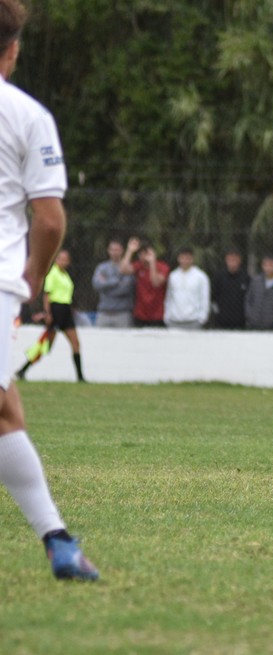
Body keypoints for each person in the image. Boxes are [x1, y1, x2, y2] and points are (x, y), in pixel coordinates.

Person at [0, 0, 99, 580]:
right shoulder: (26, 115)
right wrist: (30, 278)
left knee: (6, 407)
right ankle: (58, 541)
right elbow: (51, 219)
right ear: (12, 50)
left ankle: (57, 539)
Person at [16, 249, 85, 382]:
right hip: (56, 309)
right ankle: (23, 369)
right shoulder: (52, 274)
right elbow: (47, 295)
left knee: (75, 343)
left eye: (65, 259)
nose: (62, 261)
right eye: (60, 258)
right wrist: (48, 313)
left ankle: (80, 377)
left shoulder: (65, 275)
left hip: (66, 310)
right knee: (46, 344)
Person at [120, 237, 168, 327]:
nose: (144, 257)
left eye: (146, 253)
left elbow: (155, 283)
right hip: (140, 314)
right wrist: (129, 251)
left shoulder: (162, 267)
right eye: (141, 254)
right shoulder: (139, 265)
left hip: (157, 315)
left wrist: (152, 263)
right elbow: (123, 270)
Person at [163, 247, 210, 329]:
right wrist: (167, 316)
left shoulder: (201, 276)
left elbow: (204, 298)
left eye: (188, 258)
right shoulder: (173, 276)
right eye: (182, 258)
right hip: (174, 321)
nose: (185, 261)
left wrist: (202, 318)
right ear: (178, 259)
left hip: (194, 321)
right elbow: (169, 297)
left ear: (192, 259)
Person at [91, 237, 134, 327]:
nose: (115, 252)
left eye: (117, 250)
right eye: (112, 250)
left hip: (122, 314)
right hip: (103, 313)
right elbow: (97, 285)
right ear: (108, 251)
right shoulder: (102, 267)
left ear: (122, 251)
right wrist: (117, 281)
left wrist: (106, 286)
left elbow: (125, 288)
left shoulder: (128, 268)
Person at [245, 254, 273, 330]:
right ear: (262, 266)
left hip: (272, 327)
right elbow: (248, 299)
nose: (268, 268)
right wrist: (250, 316)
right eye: (266, 265)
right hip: (253, 325)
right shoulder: (255, 281)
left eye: (271, 265)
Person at [210, 249, 250, 329]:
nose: (232, 263)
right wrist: (217, 314)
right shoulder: (218, 277)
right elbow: (213, 298)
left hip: (240, 323)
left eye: (235, 260)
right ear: (226, 260)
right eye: (230, 260)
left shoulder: (246, 278)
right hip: (221, 322)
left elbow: (249, 299)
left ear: (240, 261)